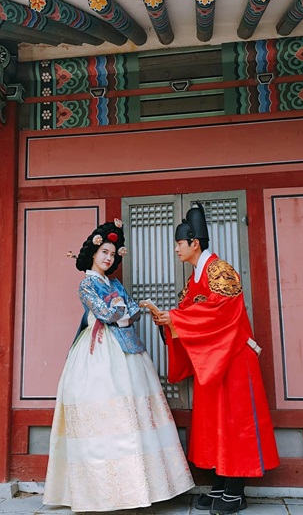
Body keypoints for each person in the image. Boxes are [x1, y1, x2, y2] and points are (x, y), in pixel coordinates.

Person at [43, 219, 194, 512]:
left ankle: (141, 485)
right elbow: (105, 312)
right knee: (104, 412)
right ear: (93, 255)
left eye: (112, 254)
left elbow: (129, 310)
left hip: (127, 348)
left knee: (134, 411)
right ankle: (102, 489)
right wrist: (122, 311)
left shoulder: (113, 283)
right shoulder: (87, 283)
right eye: (104, 253)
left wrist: (139, 309)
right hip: (99, 351)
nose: (108, 258)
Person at [152, 203, 279, 515]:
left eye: (179, 243)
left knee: (237, 423)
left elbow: (220, 313)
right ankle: (221, 484)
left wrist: (176, 320)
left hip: (234, 358)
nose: (176, 249)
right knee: (215, 423)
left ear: (194, 243)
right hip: (211, 361)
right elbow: (187, 312)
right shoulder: (195, 276)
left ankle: (237, 490)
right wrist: (168, 321)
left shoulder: (220, 271)